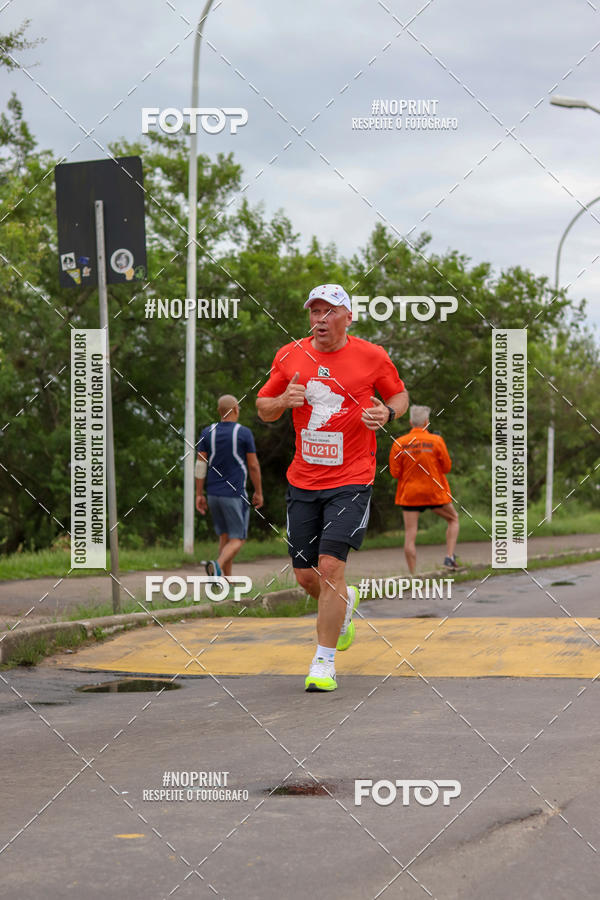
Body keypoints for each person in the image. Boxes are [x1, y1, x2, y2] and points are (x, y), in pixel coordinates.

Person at [256, 283, 408, 692]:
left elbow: (399, 396)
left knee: (330, 568)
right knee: (307, 577)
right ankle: (343, 606)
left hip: (352, 478)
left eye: (328, 312)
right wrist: (283, 401)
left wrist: (386, 413)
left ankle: (323, 663)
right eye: (314, 312)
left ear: (347, 317)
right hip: (303, 480)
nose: (319, 320)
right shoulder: (290, 355)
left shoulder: (371, 356)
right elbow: (263, 407)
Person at [195, 394, 263, 577]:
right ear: (235, 410)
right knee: (238, 539)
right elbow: (254, 465)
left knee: (225, 537)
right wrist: (258, 492)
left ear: (219, 411)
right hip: (234, 495)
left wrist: (199, 494)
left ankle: (227, 580)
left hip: (213, 495)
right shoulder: (243, 433)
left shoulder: (207, 432)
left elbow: (200, 465)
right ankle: (216, 566)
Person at [388, 405, 459, 574]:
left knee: (410, 534)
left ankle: (413, 574)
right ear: (426, 422)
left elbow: (395, 473)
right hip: (435, 493)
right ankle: (449, 557)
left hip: (410, 495)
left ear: (411, 422)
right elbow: (447, 467)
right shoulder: (436, 441)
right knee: (453, 519)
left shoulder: (400, 443)